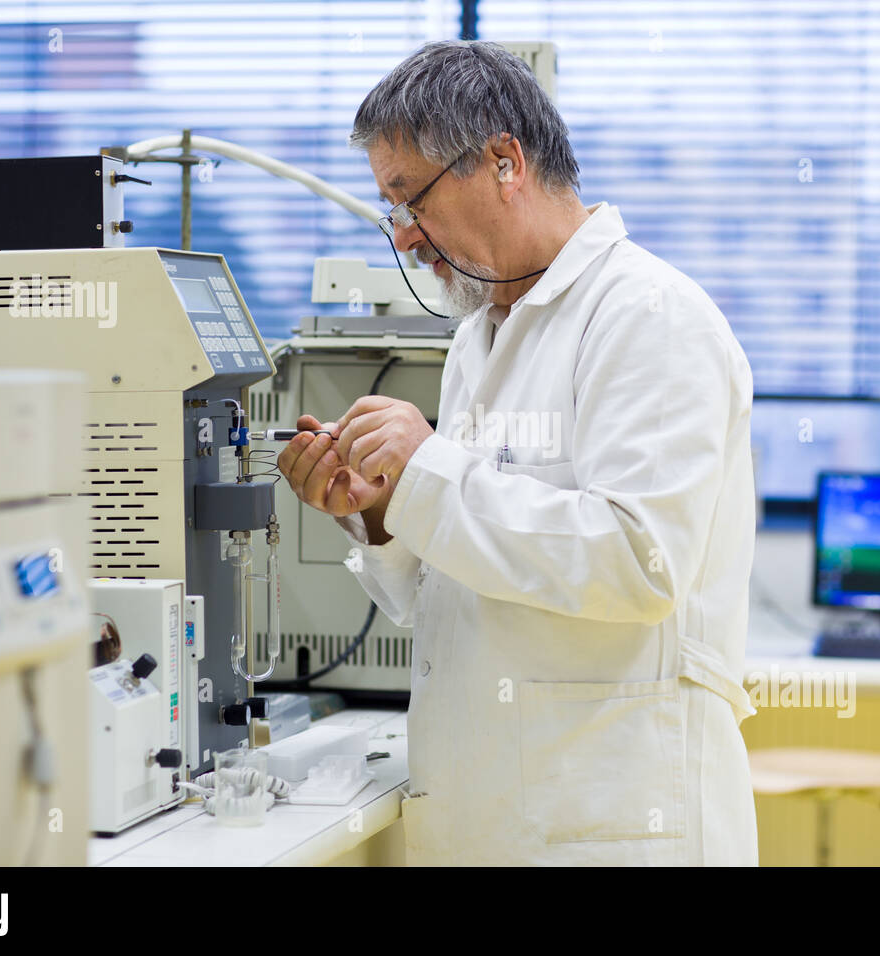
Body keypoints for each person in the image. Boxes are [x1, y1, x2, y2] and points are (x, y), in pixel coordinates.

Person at [277, 39, 758, 865]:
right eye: (389, 208)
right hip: (495, 815)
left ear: (504, 161)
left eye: (410, 198)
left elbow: (640, 562)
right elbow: (474, 587)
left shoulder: (649, 316)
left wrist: (427, 474)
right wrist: (384, 512)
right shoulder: (480, 338)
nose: (406, 236)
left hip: (615, 821)